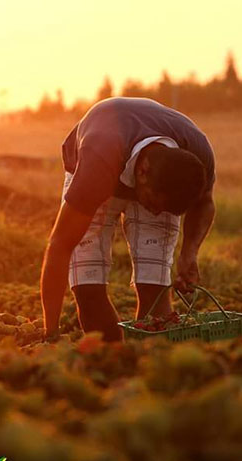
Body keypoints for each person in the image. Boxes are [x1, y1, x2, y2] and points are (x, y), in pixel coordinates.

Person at [40, 97, 216, 342]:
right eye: (154, 205)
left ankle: (151, 362)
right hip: (100, 166)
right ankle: (112, 359)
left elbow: (205, 203)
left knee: (154, 288)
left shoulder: (197, 155)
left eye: (164, 210)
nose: (156, 212)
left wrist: (189, 253)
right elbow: (60, 245)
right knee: (88, 288)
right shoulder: (97, 165)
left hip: (141, 168)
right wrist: (51, 331)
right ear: (142, 172)